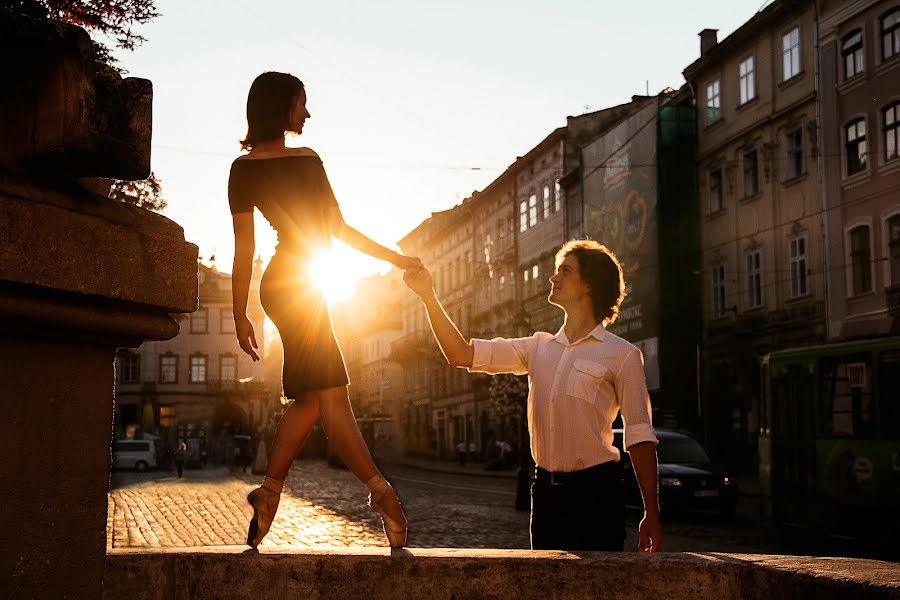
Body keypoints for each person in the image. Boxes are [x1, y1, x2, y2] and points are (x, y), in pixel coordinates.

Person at [229, 71, 421, 549]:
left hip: (283, 286)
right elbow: (338, 228)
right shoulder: (306, 160)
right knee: (334, 398)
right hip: (303, 288)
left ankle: (269, 493)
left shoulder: (242, 168)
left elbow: (242, 252)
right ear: (282, 107)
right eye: (301, 104)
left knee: (313, 400)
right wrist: (395, 258)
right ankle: (383, 495)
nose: (307, 113)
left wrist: (241, 312)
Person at [403, 239, 662, 552]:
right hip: (546, 496)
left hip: (596, 496)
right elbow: (460, 354)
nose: (553, 278)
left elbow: (639, 435)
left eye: (565, 271)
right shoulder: (537, 348)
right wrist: (428, 295)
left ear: (589, 285)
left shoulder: (622, 355)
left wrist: (651, 512)